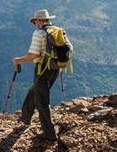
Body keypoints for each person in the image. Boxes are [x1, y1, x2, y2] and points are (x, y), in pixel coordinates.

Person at [12, 9, 72, 141]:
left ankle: (49, 133)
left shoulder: (39, 33)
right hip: (56, 68)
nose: (35, 24)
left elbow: (34, 55)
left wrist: (19, 60)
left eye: (35, 22)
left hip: (42, 69)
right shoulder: (59, 31)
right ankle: (25, 117)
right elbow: (70, 49)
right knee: (36, 90)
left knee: (42, 99)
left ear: (39, 21)